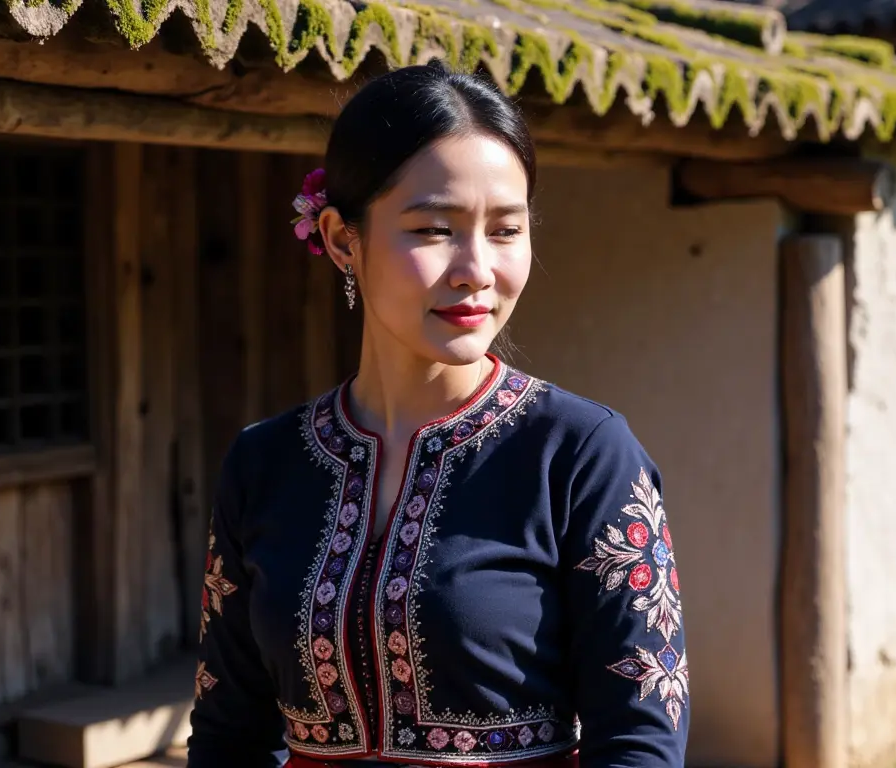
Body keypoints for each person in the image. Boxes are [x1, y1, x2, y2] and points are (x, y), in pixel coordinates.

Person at [187, 60, 689, 768]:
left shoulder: (581, 456)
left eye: (506, 230)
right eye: (433, 229)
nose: (476, 269)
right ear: (340, 240)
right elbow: (228, 734)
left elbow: (639, 742)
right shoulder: (264, 463)